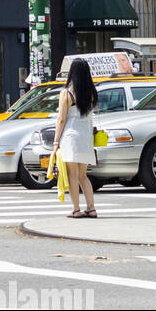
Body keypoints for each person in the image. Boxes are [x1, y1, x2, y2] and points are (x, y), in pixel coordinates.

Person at [55, 57, 99, 218]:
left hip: (71, 136)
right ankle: (91, 208)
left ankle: (76, 209)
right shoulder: (92, 93)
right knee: (83, 175)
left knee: (72, 175)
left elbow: (61, 119)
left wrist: (55, 142)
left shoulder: (66, 93)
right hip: (86, 137)